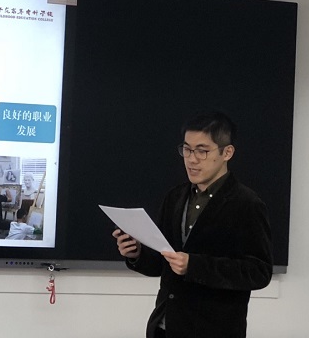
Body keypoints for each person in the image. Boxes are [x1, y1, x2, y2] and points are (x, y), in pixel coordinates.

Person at [112, 112, 272, 338]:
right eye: (187, 149)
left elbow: (259, 272)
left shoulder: (247, 204)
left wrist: (194, 265)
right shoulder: (175, 197)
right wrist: (137, 254)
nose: (192, 159)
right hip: (165, 326)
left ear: (227, 152)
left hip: (214, 330)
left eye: (202, 151)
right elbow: (162, 263)